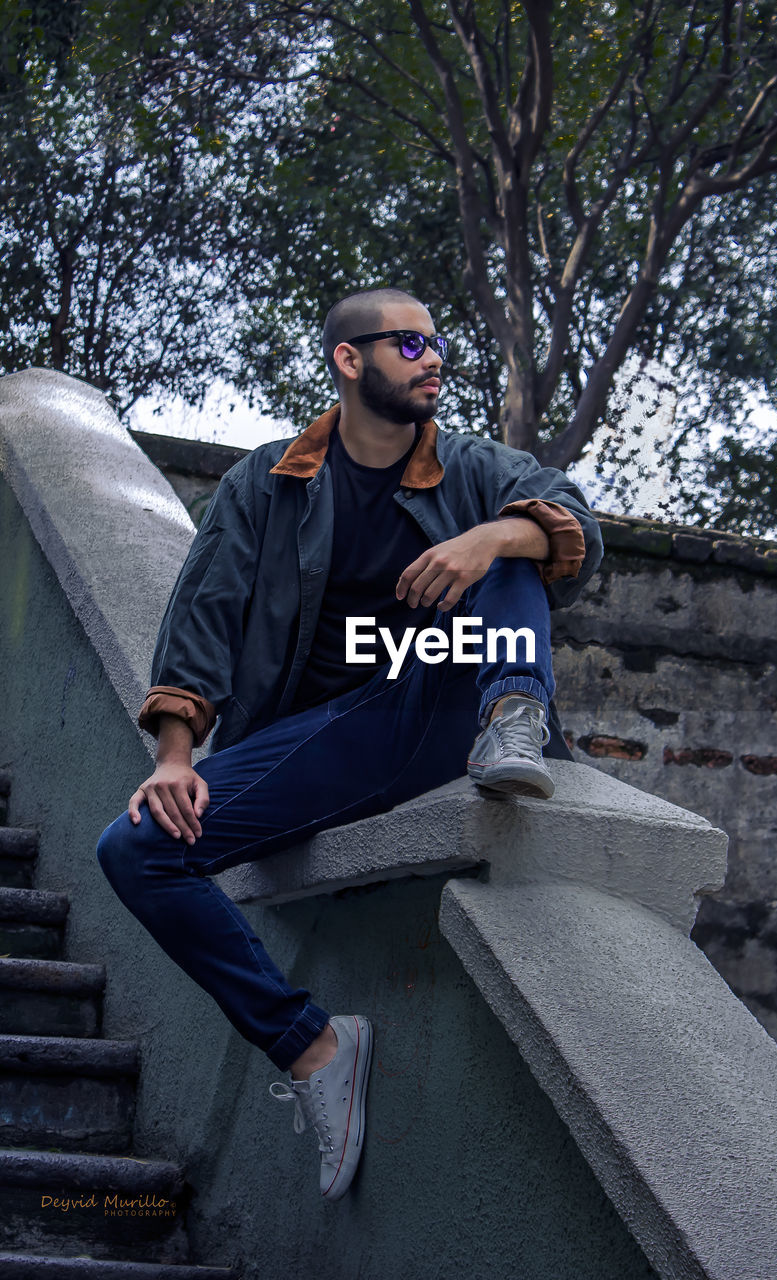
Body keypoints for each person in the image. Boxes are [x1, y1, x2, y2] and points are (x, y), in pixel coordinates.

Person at [96, 286, 603, 1202]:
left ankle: (515, 716)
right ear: (349, 359)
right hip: (337, 734)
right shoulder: (270, 482)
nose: (433, 358)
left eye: (437, 342)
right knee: (135, 851)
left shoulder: (474, 466)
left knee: (521, 537)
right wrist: (176, 752)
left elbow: (574, 526)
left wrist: (490, 535)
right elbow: (203, 616)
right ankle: (314, 1048)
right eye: (410, 343)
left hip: (457, 702)